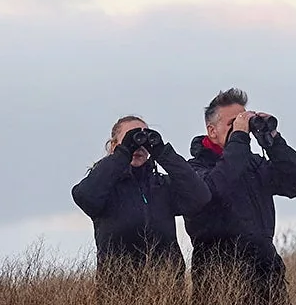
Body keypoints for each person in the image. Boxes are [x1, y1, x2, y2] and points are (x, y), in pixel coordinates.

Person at [183, 87, 296, 305]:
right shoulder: (194, 169)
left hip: (264, 270)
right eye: (233, 122)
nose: (240, 127)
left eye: (244, 119)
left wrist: (273, 141)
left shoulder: (254, 165)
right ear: (211, 130)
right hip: (219, 274)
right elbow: (217, 188)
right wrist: (240, 140)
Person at [70, 115, 210, 277]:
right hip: (118, 288)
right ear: (114, 146)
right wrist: (122, 154)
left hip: (166, 285)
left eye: (144, 139)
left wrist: (163, 153)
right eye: (131, 138)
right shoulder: (104, 187)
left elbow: (200, 196)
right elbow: (85, 197)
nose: (138, 146)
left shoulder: (162, 186)